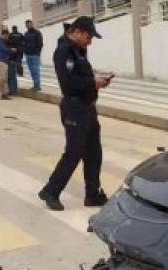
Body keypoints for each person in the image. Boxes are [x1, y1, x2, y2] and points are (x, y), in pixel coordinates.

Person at [38, 16, 114, 211]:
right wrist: (93, 82)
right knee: (74, 152)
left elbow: (82, 78)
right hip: (74, 108)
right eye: (89, 37)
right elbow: (68, 84)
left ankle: (92, 194)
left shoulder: (79, 51)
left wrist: (97, 81)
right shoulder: (64, 51)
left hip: (87, 108)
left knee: (94, 153)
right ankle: (50, 191)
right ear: (78, 31)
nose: (90, 42)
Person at [0, 28, 13, 100]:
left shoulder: (2, 41)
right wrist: (11, 49)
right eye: (7, 36)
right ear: (4, 35)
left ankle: (5, 93)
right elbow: (4, 49)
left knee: (5, 79)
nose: (8, 38)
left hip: (4, 61)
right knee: (3, 78)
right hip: (0, 61)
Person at [24, 20, 44, 91]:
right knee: (31, 71)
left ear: (32, 24)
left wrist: (37, 53)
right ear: (26, 26)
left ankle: (37, 85)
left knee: (36, 70)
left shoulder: (37, 33)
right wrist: (25, 53)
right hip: (28, 55)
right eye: (27, 25)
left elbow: (40, 44)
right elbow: (24, 44)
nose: (29, 26)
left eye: (30, 24)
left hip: (35, 55)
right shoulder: (26, 34)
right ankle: (34, 85)